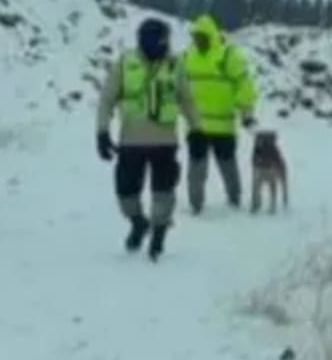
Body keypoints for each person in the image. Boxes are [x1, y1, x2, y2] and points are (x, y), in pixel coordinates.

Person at [95, 17, 200, 260]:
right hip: (131, 142)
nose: (157, 44)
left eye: (161, 39)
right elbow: (107, 99)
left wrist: (197, 131)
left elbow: (187, 100)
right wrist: (102, 132)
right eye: (151, 39)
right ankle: (138, 222)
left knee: (163, 191)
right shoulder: (125, 63)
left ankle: (159, 233)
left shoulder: (175, 65)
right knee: (125, 192)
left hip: (165, 142)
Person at [180, 14, 258, 213]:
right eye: (195, 36)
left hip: (223, 126)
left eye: (202, 36)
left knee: (228, 167)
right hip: (197, 126)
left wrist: (247, 113)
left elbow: (244, 84)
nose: (198, 40)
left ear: (211, 35)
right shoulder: (187, 57)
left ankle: (234, 200)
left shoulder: (227, 55)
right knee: (196, 169)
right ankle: (196, 206)